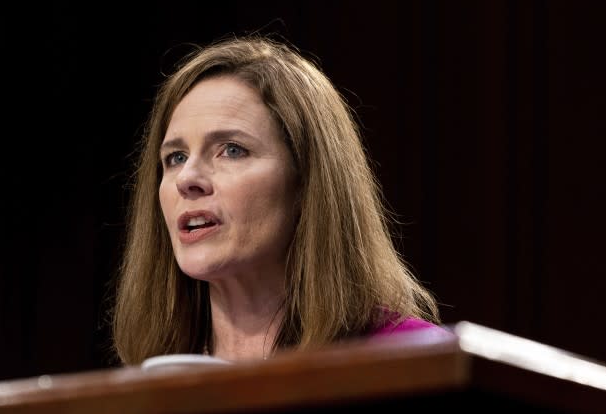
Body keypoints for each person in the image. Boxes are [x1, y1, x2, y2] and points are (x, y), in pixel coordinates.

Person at [111, 34, 448, 365]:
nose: (187, 180)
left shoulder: (414, 359)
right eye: (176, 158)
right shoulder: (152, 385)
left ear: (305, 183)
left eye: (231, 150)